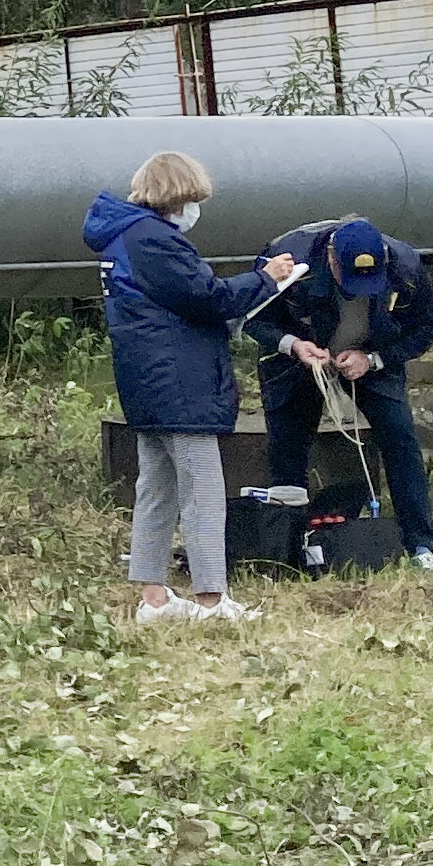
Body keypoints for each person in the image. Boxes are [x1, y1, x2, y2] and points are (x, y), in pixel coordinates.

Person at [82, 150, 302, 625]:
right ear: (176, 196)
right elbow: (208, 299)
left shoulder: (124, 238)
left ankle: (154, 597)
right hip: (182, 383)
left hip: (148, 381)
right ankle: (211, 599)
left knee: (157, 487)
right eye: (194, 198)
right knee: (202, 491)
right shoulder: (155, 241)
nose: (196, 208)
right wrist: (266, 280)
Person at [256, 211, 433, 567]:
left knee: (401, 440)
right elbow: (253, 316)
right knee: (288, 447)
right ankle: (286, 547)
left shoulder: (406, 266)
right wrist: (293, 345)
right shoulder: (286, 255)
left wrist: (374, 360)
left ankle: (420, 545)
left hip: (373, 358)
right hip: (298, 359)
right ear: (330, 258)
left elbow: (426, 328)